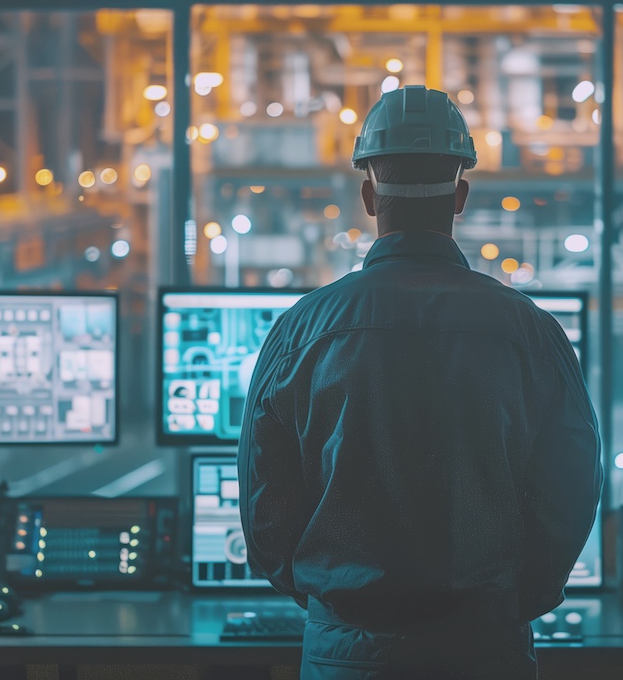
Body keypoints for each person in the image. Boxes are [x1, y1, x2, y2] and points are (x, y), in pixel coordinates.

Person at [238, 85, 602, 679]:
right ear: (460, 197)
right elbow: (572, 487)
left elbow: (264, 505)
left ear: (367, 195)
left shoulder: (301, 333)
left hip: (344, 652)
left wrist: (332, 602)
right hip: (484, 650)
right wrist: (511, 604)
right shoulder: (528, 332)